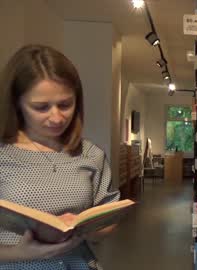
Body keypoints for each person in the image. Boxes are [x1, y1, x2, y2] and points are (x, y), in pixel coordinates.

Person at [0, 44, 120, 269]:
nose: (56, 117)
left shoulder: (90, 154)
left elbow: (106, 218)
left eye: (65, 104)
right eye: (41, 107)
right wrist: (19, 253)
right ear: (17, 103)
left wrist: (89, 229)